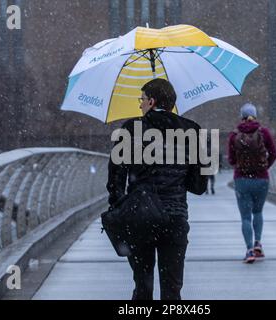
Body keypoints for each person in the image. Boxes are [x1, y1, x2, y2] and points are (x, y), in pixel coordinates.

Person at [106, 78, 204, 300]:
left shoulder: (131, 129)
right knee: (172, 290)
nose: (140, 104)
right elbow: (198, 186)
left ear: (151, 101)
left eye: (141, 100)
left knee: (142, 286)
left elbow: (115, 178)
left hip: (139, 217)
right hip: (175, 217)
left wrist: (119, 206)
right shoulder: (192, 130)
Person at [227, 103, 276, 263]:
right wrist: (263, 168)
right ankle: (258, 244)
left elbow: (231, 159)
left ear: (241, 116)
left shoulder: (234, 135)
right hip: (261, 179)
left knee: (246, 217)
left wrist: (241, 168)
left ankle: (249, 250)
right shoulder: (264, 132)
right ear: (255, 116)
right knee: (258, 212)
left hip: (242, 179)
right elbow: (274, 154)